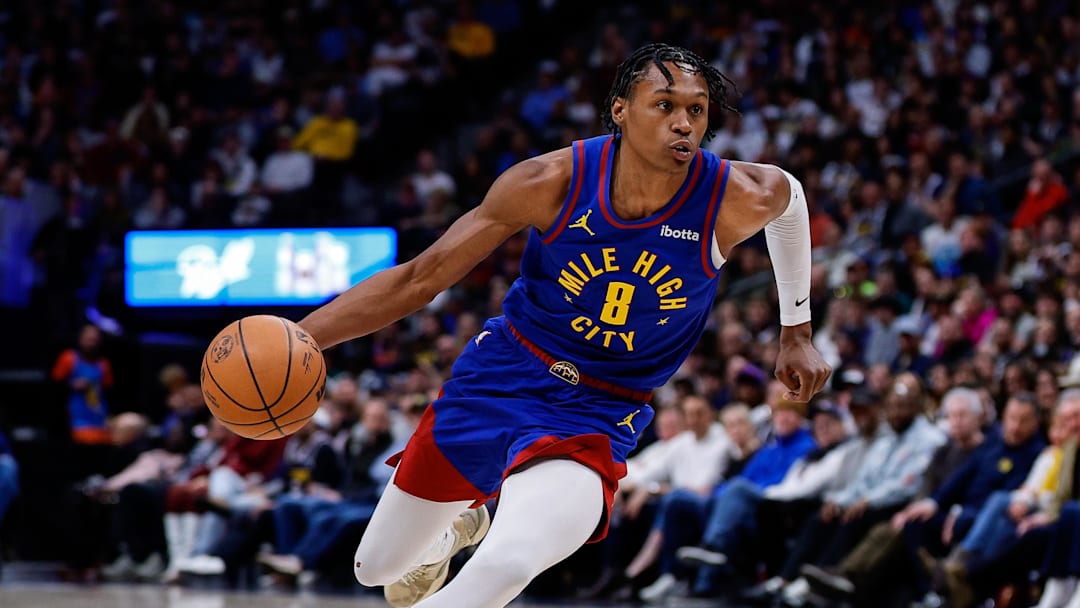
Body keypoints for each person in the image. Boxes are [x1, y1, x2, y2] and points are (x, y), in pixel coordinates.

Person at [297, 43, 831, 608]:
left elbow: (792, 200)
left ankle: (483, 531)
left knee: (503, 566)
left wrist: (796, 331)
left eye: (697, 110)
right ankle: (460, 525)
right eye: (665, 105)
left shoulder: (732, 196)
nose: (684, 123)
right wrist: (302, 338)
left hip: (597, 410)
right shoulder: (549, 180)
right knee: (375, 567)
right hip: (502, 374)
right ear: (621, 110)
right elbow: (419, 279)